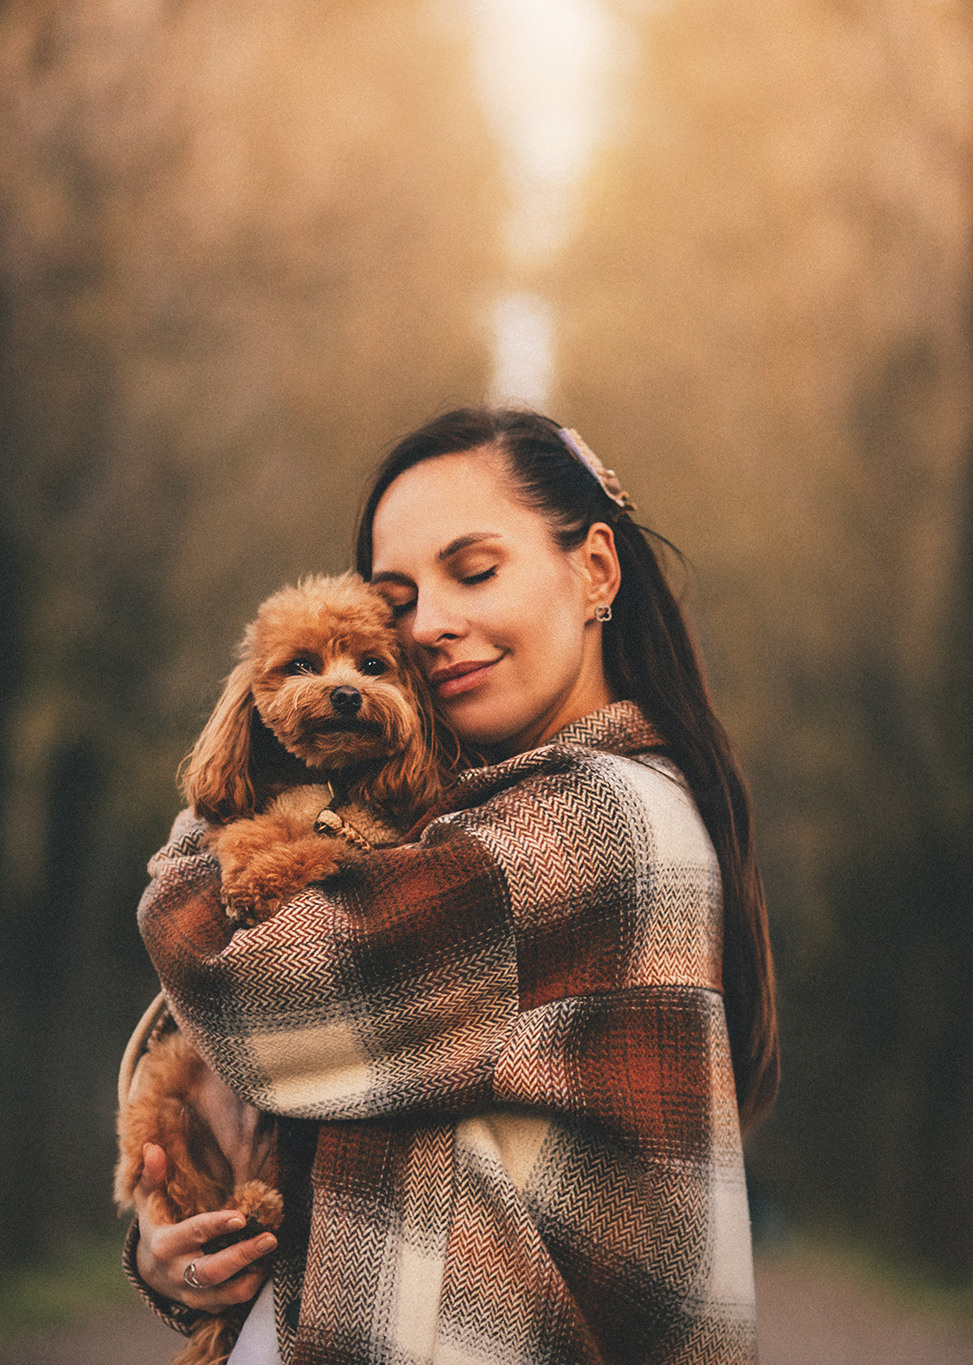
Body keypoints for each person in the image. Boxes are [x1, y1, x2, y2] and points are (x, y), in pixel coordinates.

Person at [124, 407, 779, 1363]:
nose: (430, 625)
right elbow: (272, 1096)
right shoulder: (467, 821)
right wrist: (178, 1243)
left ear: (596, 569)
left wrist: (235, 797)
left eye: (475, 572)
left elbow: (240, 992)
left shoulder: (590, 822)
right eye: (397, 599)